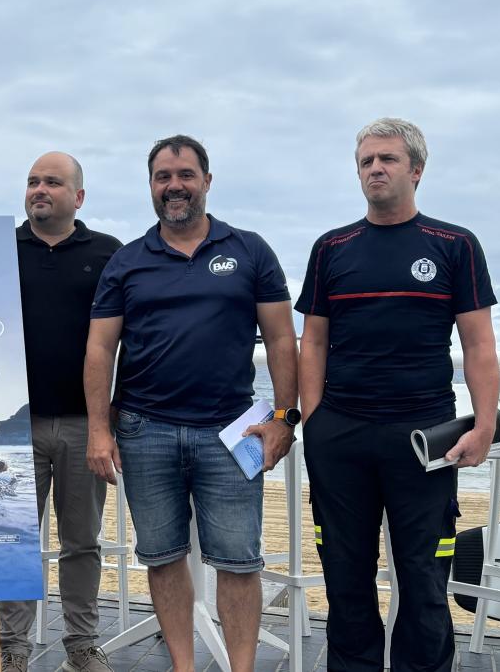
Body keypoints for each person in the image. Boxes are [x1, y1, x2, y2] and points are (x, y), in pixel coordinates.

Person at [84, 135, 298, 672]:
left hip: (231, 432)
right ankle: (183, 666)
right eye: (162, 177)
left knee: (240, 562)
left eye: (184, 174)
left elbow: (280, 340)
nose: (173, 186)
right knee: (161, 558)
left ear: (206, 180)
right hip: (144, 430)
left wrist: (283, 418)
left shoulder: (249, 250)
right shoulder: (127, 261)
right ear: (151, 186)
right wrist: (98, 430)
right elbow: (100, 348)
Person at [296, 118, 500, 671]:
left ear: (415, 169)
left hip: (424, 436)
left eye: (386, 159)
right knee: (345, 576)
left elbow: (479, 344)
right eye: (365, 161)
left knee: (425, 577)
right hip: (342, 433)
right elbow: (312, 342)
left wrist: (483, 424)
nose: (375, 170)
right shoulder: (331, 247)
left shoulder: (455, 245)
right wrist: (312, 422)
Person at [0, 151, 122, 672]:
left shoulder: (109, 253)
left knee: (82, 543)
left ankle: (81, 644)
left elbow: (129, 339)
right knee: (13, 540)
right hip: (11, 428)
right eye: (32, 181)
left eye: (52, 181)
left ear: (79, 196)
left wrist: (110, 423)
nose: (39, 189)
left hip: (83, 424)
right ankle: (12, 648)